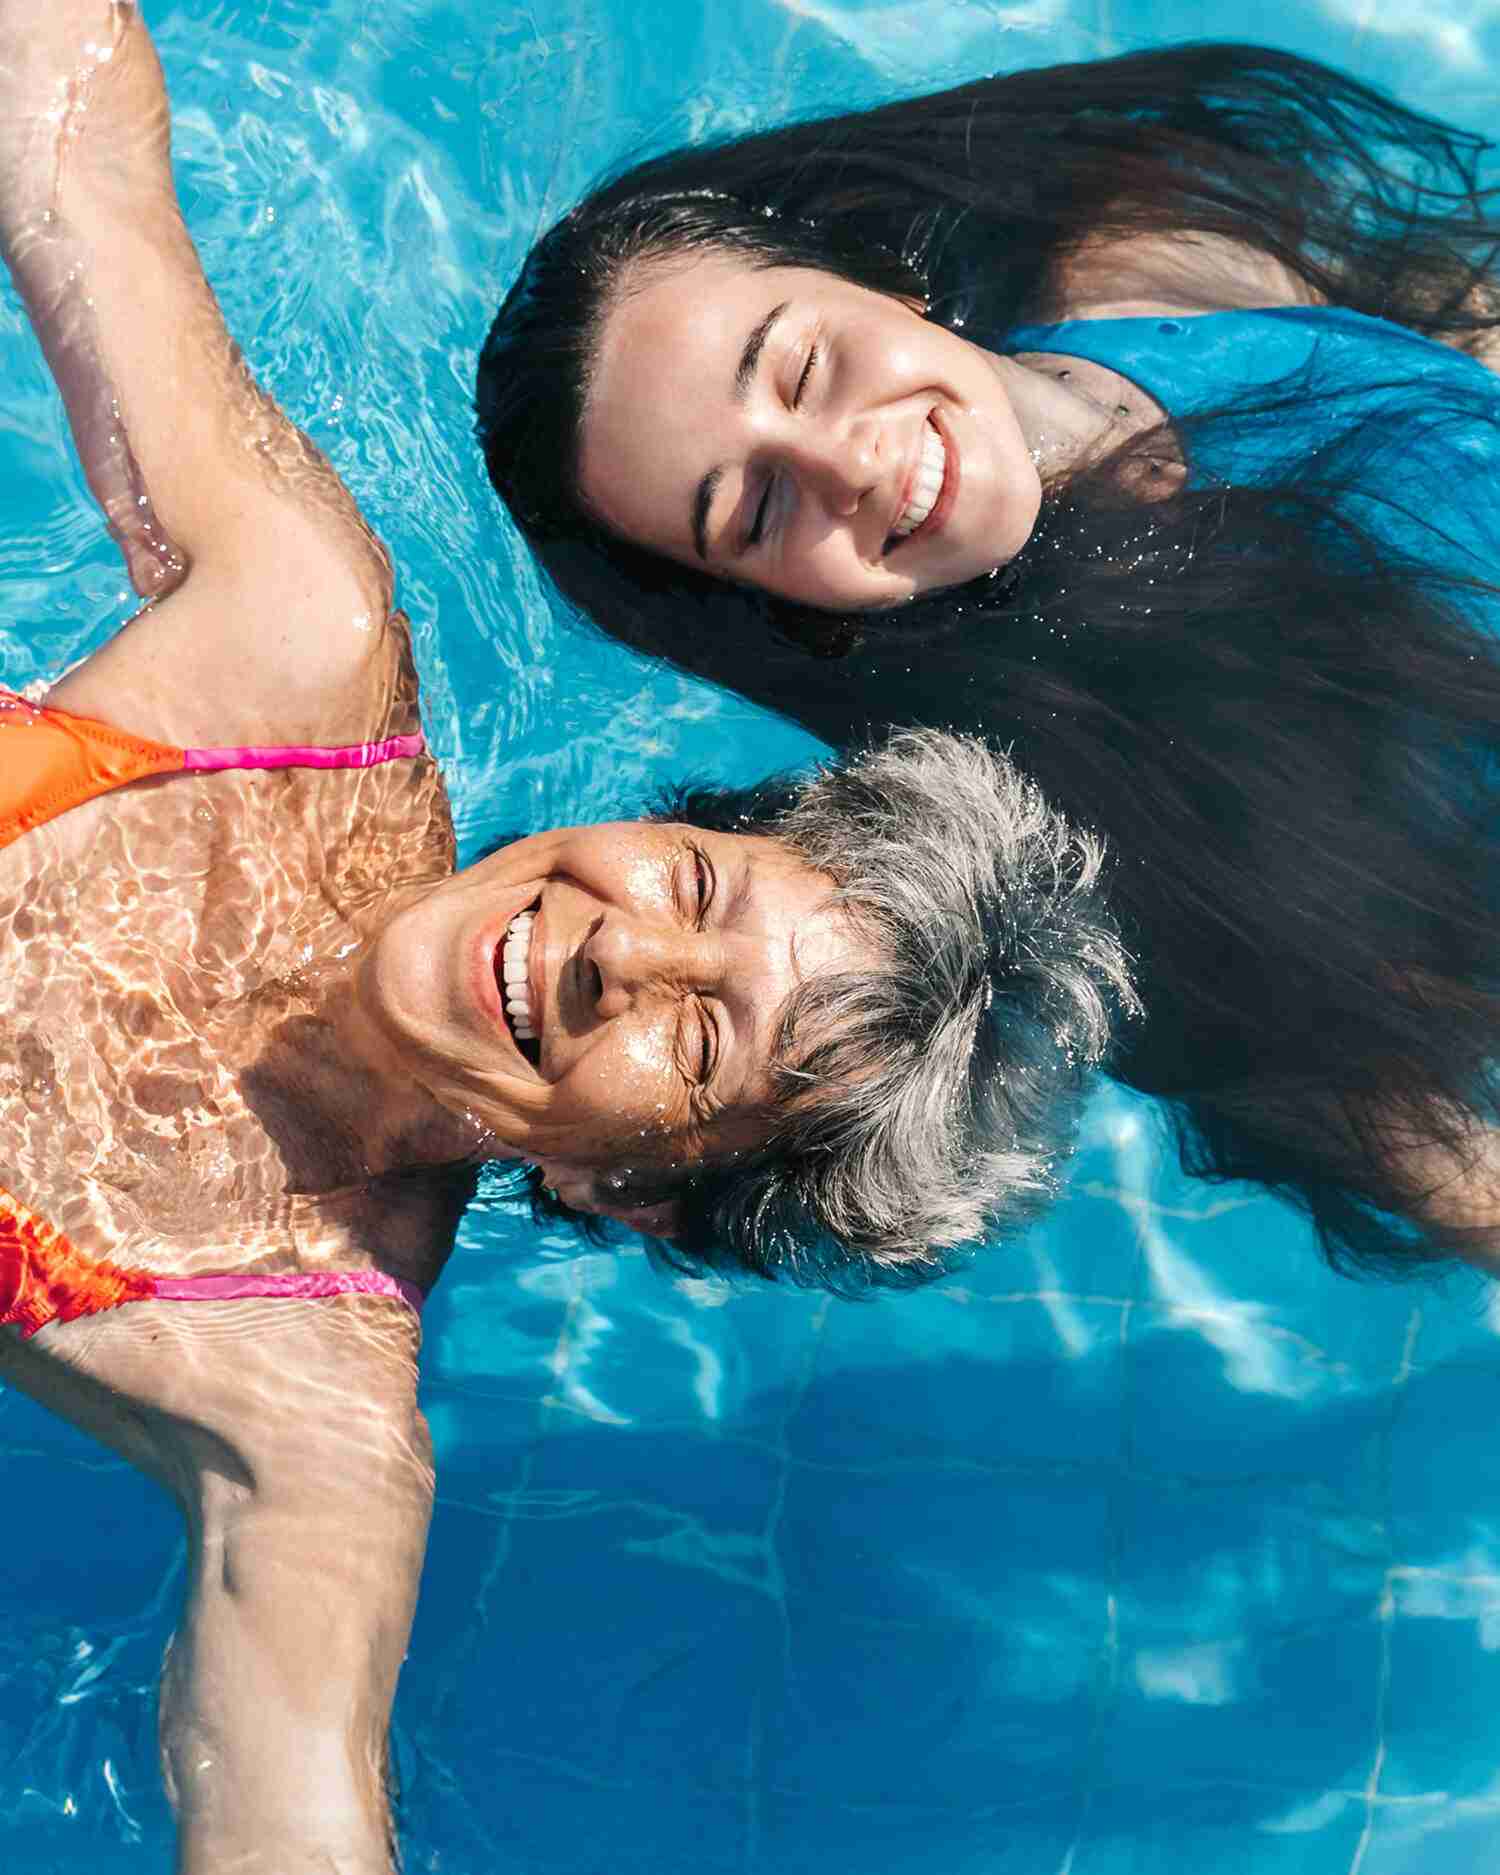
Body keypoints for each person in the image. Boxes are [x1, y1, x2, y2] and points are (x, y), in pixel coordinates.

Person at [0, 5, 1135, 1868]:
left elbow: (293, 1820)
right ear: (659, 824)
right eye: (692, 891)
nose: (624, 956)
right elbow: (83, 164)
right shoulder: (286, 646)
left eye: (701, 1048)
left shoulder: (299, 1419)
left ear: (634, 1197)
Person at [478, 41, 1500, 1280]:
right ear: (785, 605)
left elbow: (1452, 334)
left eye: (802, 367)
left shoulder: (1152, 253)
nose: (846, 463)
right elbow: (1400, 1130)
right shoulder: (1099, 828)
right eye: (754, 514)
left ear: (883, 284)